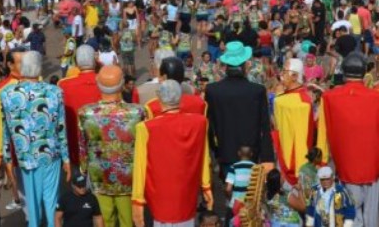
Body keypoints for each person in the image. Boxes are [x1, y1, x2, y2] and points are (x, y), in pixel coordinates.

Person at [316, 52, 379, 227]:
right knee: (371, 216)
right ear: (364, 73)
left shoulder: (328, 98)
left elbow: (322, 135)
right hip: (373, 164)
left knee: (351, 215)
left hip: (346, 165)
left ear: (344, 72)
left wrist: (322, 162)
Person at [0, 51, 70, 227]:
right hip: (51, 154)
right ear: (39, 68)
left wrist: (7, 158)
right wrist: (66, 158)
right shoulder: (54, 91)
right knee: (52, 201)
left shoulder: (6, 93)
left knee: (33, 205)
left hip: (26, 156)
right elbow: (61, 127)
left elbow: (5, 130)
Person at [132, 81, 213, 227]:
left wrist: (137, 200)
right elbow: (204, 157)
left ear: (158, 98)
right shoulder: (200, 123)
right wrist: (206, 186)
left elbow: (140, 167)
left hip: (160, 196)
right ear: (181, 97)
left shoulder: (145, 128)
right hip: (187, 194)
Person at [77, 65, 145, 227]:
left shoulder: (86, 112)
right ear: (122, 84)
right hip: (128, 177)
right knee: (127, 221)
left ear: (98, 83)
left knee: (104, 220)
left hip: (99, 176)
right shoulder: (138, 112)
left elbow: (82, 148)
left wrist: (83, 171)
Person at [206, 42, 274, 179]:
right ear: (245, 64)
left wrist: (215, 150)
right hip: (251, 152)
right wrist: (268, 157)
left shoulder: (212, 90)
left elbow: (209, 126)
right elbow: (265, 126)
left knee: (230, 191)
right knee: (247, 194)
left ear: (226, 65)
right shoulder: (257, 91)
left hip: (225, 151)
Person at [272, 58, 315, 185]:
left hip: (288, 159)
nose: (281, 75)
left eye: (285, 72)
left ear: (295, 76)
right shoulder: (306, 99)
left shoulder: (281, 101)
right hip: (299, 160)